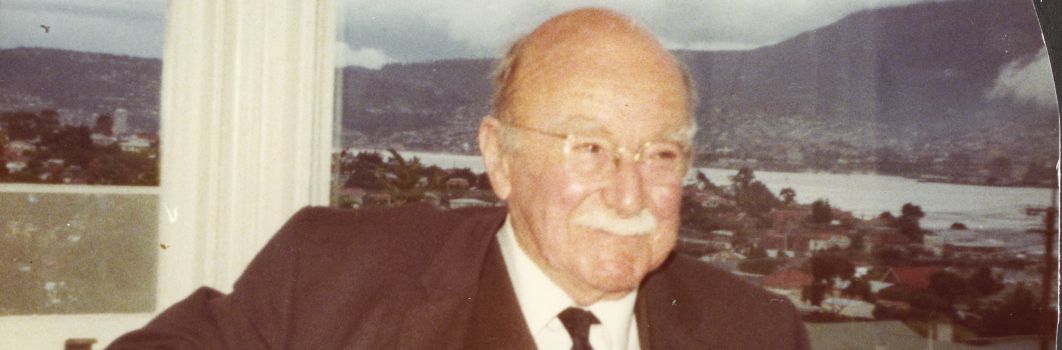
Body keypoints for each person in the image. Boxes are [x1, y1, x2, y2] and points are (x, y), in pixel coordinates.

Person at [110, 8, 808, 350]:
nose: (630, 197)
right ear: (499, 158)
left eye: (660, 155)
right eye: (590, 148)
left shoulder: (754, 333)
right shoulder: (329, 275)